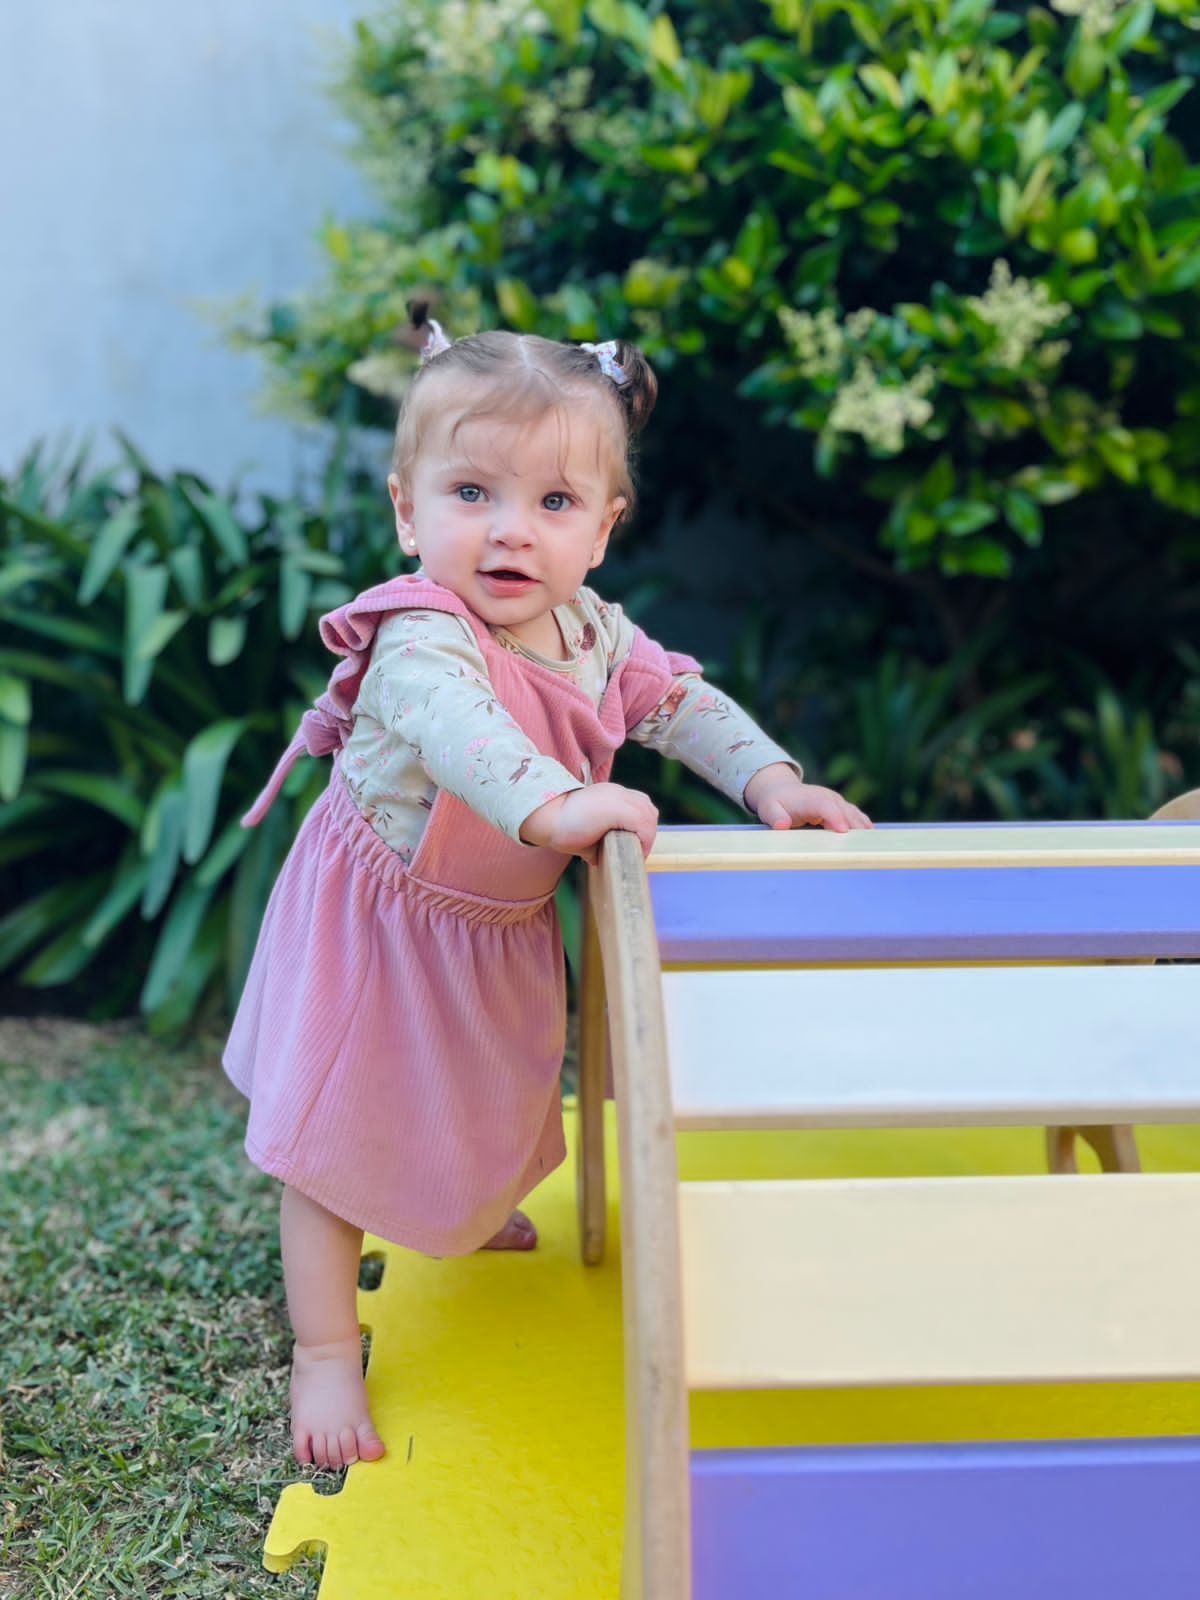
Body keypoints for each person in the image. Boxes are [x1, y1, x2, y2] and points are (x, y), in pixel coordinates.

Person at [223, 313, 872, 1473]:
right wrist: (558, 805)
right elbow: (458, 731)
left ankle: (458, 1198)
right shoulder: (426, 633)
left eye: (554, 504)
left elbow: (679, 705)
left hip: (494, 925)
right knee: (336, 1137)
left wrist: (773, 780)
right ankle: (326, 1344)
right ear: (407, 509)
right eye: (471, 492)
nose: (511, 532)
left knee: (499, 1086)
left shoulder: (592, 630)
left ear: (605, 529)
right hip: (387, 923)